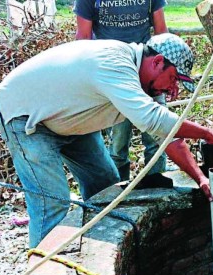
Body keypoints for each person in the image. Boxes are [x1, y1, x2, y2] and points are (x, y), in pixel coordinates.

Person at [0, 33, 213, 248]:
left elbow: (170, 137)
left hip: (68, 116)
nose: (173, 89)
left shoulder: (149, 85)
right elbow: (153, 120)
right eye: (172, 79)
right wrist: (208, 133)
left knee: (105, 184)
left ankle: (94, 253)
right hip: (26, 115)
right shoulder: (115, 63)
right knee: (52, 204)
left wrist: (201, 179)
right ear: (157, 62)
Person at [74, 0, 173, 186]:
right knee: (119, 142)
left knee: (158, 137)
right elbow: (83, 38)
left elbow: (162, 32)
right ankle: (120, 193)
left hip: (149, 69)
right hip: (112, 74)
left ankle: (157, 189)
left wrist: (168, 73)